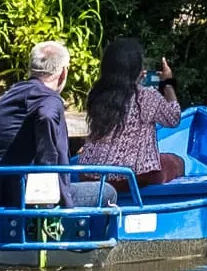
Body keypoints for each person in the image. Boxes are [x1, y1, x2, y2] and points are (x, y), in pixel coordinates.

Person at [0, 41, 114, 210]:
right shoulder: (49, 100)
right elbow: (46, 115)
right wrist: (62, 202)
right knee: (106, 191)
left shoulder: (13, 93)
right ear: (63, 72)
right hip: (13, 197)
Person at [77, 37, 184, 191]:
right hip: (131, 178)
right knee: (178, 162)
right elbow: (174, 118)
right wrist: (167, 84)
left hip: (90, 175)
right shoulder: (145, 96)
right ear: (138, 69)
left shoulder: (96, 94)